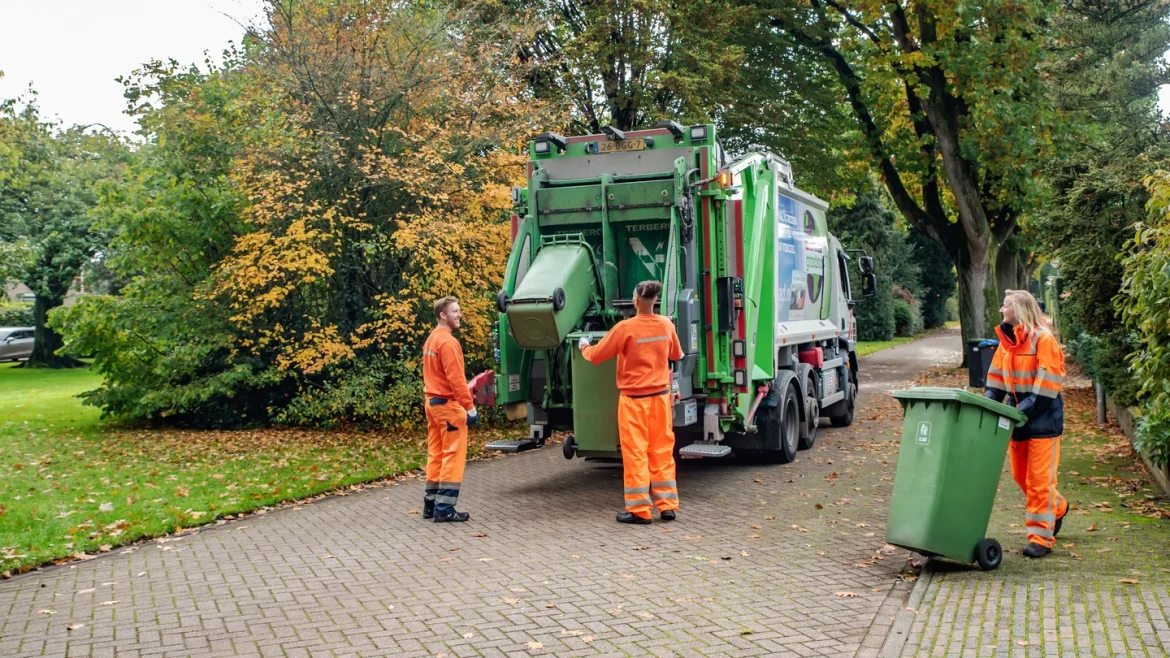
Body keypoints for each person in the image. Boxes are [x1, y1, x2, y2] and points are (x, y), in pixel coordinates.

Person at [579, 281, 684, 524]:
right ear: (654, 301)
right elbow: (676, 355)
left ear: (636, 300)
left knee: (636, 453)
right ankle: (667, 506)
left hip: (634, 402)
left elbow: (595, 357)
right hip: (660, 400)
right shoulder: (666, 325)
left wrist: (584, 344)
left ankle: (640, 511)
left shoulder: (625, 328)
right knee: (661, 451)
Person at [984, 289, 1068, 558]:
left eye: (1005, 305)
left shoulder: (1044, 341)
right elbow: (996, 379)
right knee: (1022, 477)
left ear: (1018, 310)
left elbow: (1045, 390)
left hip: (1043, 419)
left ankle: (1040, 539)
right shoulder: (1007, 341)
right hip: (1018, 417)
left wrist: (1018, 413)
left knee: (1040, 482)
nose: (1001, 310)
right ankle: (1059, 507)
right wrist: (989, 405)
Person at [421, 296, 478, 523]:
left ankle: (431, 503)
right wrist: (470, 408)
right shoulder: (448, 342)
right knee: (453, 455)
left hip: (432, 404)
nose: (459, 314)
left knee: (436, 453)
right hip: (448, 406)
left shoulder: (431, 340)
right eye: (455, 311)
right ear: (443, 315)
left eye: (459, 310)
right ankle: (444, 509)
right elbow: (457, 380)